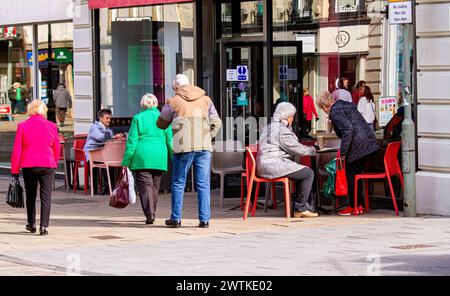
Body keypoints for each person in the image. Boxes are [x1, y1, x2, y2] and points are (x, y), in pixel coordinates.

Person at [157, 74, 222, 229]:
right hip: (204, 147)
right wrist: (207, 136)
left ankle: (176, 218)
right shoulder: (206, 100)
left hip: (183, 146)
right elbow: (217, 122)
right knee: (203, 183)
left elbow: (160, 124)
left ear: (176, 87)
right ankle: (204, 220)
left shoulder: (173, 101)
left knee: (179, 182)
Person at [316, 92, 380, 216]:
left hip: (359, 146)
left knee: (350, 173)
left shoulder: (334, 112)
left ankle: (352, 206)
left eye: (322, 109)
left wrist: (343, 153)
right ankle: (359, 205)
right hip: (370, 144)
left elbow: (348, 129)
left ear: (324, 107)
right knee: (356, 174)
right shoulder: (346, 105)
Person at [256, 102, 318, 218]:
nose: (293, 119)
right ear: (287, 117)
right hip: (273, 165)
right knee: (308, 173)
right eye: (292, 116)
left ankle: (298, 205)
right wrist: (313, 149)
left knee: (300, 171)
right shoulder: (281, 130)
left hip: (263, 165)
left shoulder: (269, 127)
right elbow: (297, 149)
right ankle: (300, 208)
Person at [11, 100, 60, 236]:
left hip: (29, 165)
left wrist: (15, 170)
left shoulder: (22, 126)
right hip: (47, 164)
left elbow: (17, 150)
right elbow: (56, 147)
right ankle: (44, 226)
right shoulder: (52, 126)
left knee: (30, 195)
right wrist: (54, 163)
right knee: (46, 196)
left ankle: (31, 223)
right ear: (43, 111)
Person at [122, 94, 173, 225]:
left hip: (142, 157)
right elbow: (170, 140)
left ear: (142, 104)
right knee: (155, 187)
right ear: (156, 104)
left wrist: (126, 161)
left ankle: (150, 213)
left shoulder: (137, 118)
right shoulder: (163, 118)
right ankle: (152, 211)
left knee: (145, 187)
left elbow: (132, 141)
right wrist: (174, 158)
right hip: (159, 156)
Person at [84, 109, 124, 194]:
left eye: (110, 118)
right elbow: (100, 137)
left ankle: (108, 187)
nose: (109, 120)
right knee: (95, 164)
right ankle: (94, 188)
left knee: (109, 162)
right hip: (91, 153)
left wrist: (117, 138)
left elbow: (109, 141)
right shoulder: (94, 127)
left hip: (102, 154)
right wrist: (113, 137)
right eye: (107, 118)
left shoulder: (109, 130)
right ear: (100, 118)